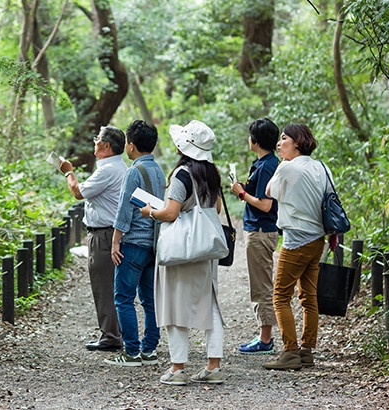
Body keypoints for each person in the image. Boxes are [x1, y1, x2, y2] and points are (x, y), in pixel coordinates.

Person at [140, 120, 226, 386]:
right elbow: (218, 209)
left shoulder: (181, 175)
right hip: (205, 248)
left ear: (183, 146)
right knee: (209, 303)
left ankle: (178, 369)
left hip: (181, 250)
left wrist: (150, 211)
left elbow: (171, 213)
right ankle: (214, 366)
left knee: (175, 305)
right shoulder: (212, 173)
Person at [263, 123, 329, 370]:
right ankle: (307, 351)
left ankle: (290, 351)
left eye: (284, 139)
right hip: (317, 238)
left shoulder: (288, 167)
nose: (279, 144)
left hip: (296, 239)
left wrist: (281, 164)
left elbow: (269, 191)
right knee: (308, 296)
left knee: (280, 295)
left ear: (297, 141)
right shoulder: (321, 166)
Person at [60, 126, 127, 352]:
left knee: (103, 285)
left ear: (106, 146)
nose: (94, 142)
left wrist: (68, 171)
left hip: (104, 234)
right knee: (112, 285)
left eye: (97, 139)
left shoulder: (107, 170)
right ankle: (115, 332)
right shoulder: (116, 167)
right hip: (110, 232)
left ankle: (110, 336)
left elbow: (78, 192)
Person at [104, 119, 165, 367]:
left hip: (133, 244)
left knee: (124, 298)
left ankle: (131, 351)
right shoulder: (159, 170)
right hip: (153, 244)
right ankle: (150, 349)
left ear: (131, 145)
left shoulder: (133, 172)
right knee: (150, 299)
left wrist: (115, 242)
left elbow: (123, 211)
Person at [230, 118, 280, 355]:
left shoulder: (269, 165)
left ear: (256, 141)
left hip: (261, 230)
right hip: (257, 230)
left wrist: (241, 194)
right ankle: (263, 333)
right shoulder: (263, 163)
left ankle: (266, 339)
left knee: (261, 285)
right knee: (258, 283)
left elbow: (266, 205)